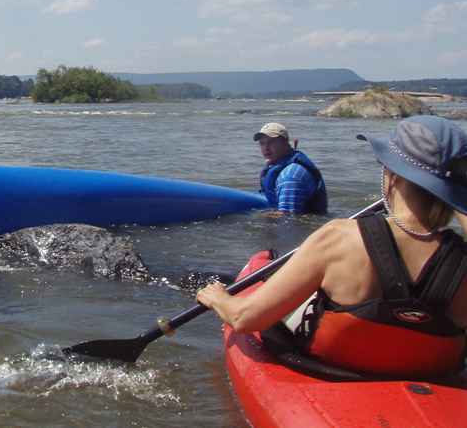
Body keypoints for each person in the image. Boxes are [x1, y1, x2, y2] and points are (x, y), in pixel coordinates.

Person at [198, 115, 467, 379]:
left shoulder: (338, 238)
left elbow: (246, 319)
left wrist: (217, 297)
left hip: (334, 371)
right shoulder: (462, 260)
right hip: (433, 377)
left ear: (392, 175)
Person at [254, 122, 327, 214]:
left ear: (285, 142)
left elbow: (287, 219)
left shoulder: (290, 176)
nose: (266, 148)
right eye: (262, 143)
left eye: (271, 142)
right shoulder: (276, 165)